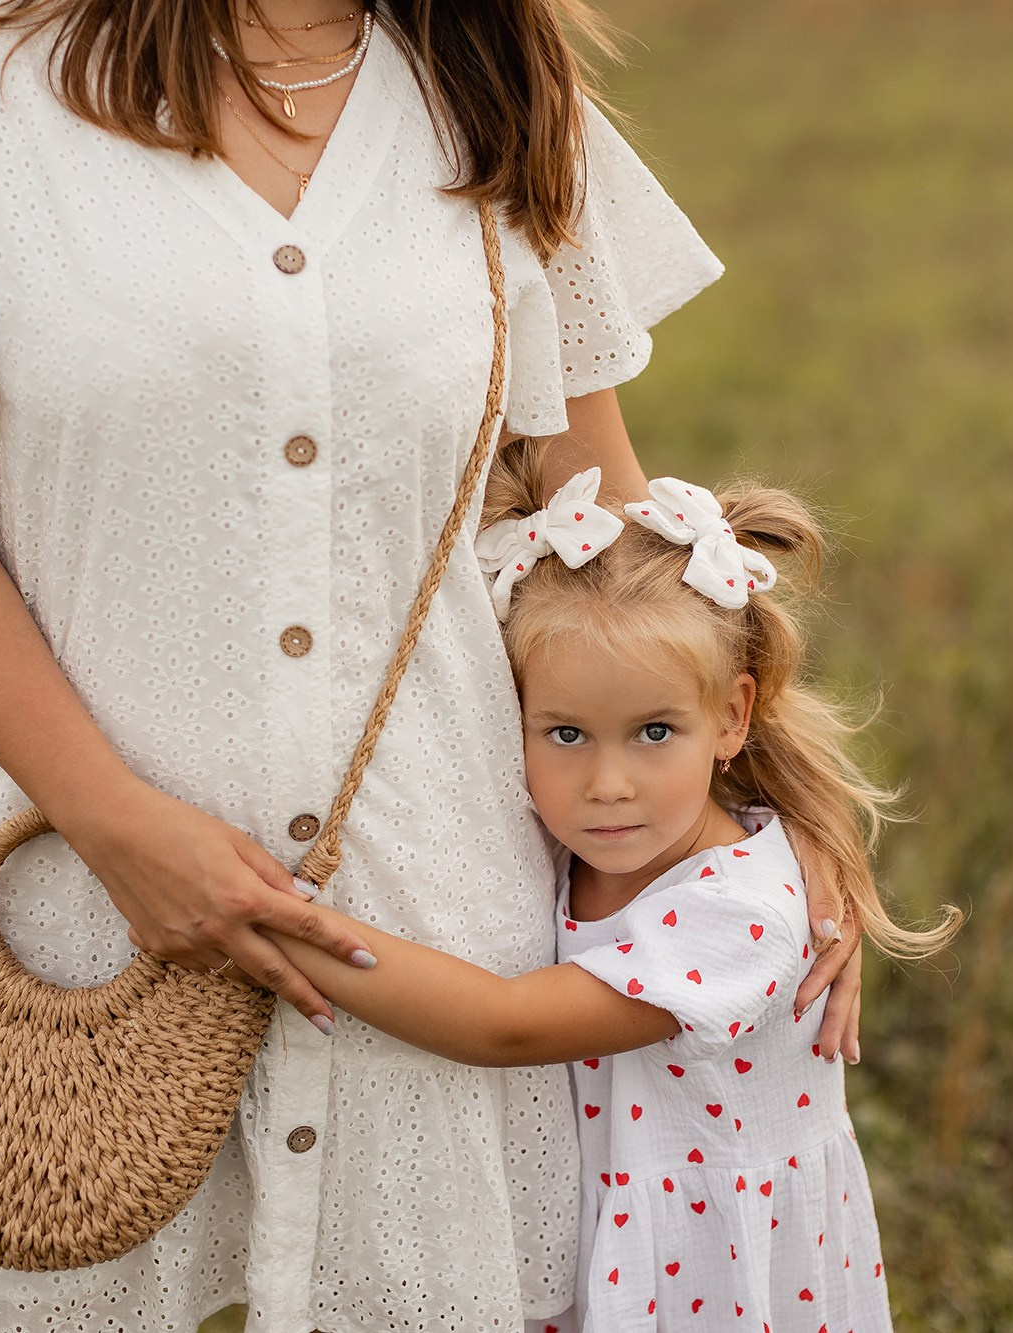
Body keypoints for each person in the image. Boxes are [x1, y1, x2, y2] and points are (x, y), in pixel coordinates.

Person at [0, 0, 864, 1328]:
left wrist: (782, 834)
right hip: (75, 910)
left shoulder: (498, 88)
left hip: (442, 918)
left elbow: (612, 534)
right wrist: (115, 824)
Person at [253, 447, 960, 1331]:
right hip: (617, 1239)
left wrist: (266, 921)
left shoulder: (739, 914)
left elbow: (502, 1023)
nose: (608, 783)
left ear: (733, 717)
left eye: (654, 730)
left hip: (708, 1272)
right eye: (565, 733)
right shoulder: (569, 844)